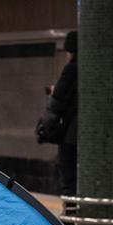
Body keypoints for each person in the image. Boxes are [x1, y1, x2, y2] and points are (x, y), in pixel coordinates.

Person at [46, 31, 79, 205]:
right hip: (83, 138)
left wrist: (52, 93)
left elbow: (57, 103)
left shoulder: (72, 69)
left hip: (70, 136)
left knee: (69, 183)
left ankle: (69, 223)